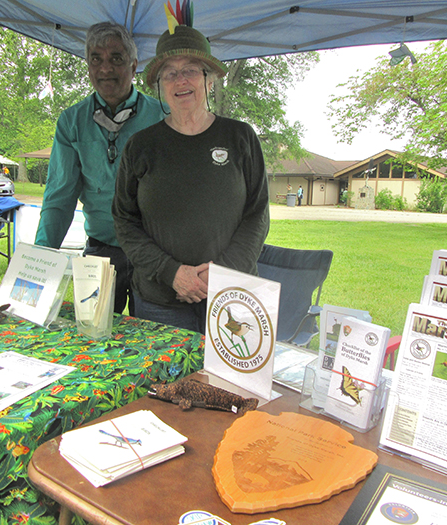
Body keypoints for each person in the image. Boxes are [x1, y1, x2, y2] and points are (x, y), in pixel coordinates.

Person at [112, 20, 270, 334]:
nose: (180, 80)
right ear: (159, 84)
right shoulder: (140, 146)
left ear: (209, 81)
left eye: (191, 70)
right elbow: (124, 220)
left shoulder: (241, 137)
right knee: (162, 385)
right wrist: (171, 272)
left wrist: (221, 273)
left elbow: (257, 215)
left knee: (226, 385)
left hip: (231, 300)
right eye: (169, 72)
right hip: (160, 303)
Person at [35, 22, 166, 315]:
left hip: (155, 254)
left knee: (156, 340)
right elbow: (59, 197)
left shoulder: (163, 116)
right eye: (96, 58)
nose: (105, 68)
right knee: (92, 337)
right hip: (100, 251)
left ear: (134, 67)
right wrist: (39, 260)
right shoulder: (71, 122)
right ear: (88, 66)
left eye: (116, 58)